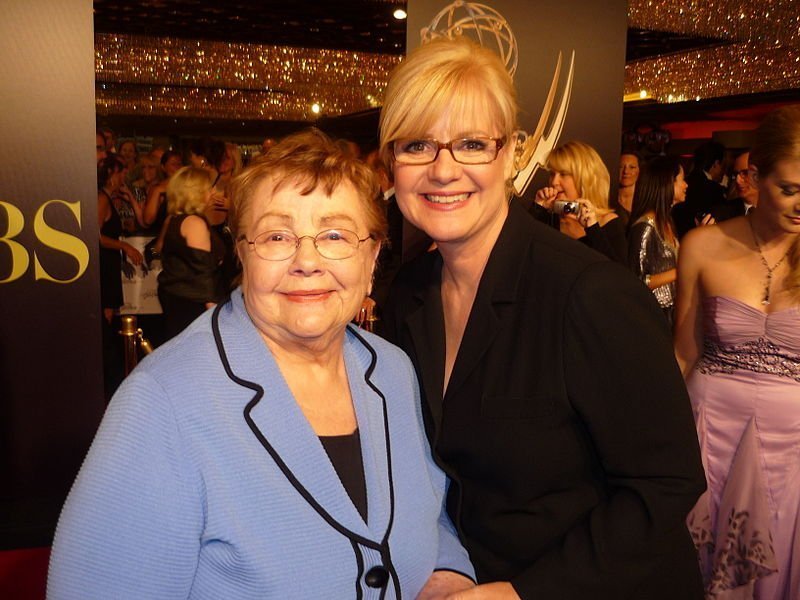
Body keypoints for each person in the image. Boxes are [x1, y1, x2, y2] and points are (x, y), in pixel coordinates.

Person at [48, 129, 475, 598]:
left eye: (335, 234)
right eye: (277, 235)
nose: (307, 261)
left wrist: (446, 576)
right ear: (241, 252)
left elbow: (425, 511)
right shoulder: (163, 401)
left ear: (371, 256)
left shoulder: (391, 369)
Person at [378, 35, 705, 599]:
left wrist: (523, 593)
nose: (443, 169)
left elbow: (665, 484)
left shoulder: (589, 293)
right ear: (392, 164)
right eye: (416, 146)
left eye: (472, 144)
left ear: (511, 155)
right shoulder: (409, 293)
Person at [674, 105, 800, 599]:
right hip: (710, 432)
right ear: (753, 176)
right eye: (788, 188)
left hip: (791, 445)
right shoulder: (703, 245)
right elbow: (682, 354)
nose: (799, 204)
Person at [157, 166, 225, 340]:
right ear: (196, 192)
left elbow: (159, 249)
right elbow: (203, 269)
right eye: (209, 188)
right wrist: (212, 308)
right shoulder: (194, 222)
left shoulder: (174, 218)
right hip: (192, 301)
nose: (214, 191)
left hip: (176, 295)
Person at [534, 141, 627, 263]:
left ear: (585, 178)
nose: (554, 182)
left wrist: (593, 229)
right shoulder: (549, 219)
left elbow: (620, 275)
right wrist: (537, 209)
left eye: (563, 174)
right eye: (552, 174)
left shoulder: (608, 223)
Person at [627, 155, 688, 326]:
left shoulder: (667, 221)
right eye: (682, 180)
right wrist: (679, 272)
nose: (686, 185)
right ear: (667, 184)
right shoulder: (644, 227)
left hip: (672, 313)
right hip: (653, 316)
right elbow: (636, 281)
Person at [710, 149, 758, 222]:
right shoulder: (720, 214)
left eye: (745, 173)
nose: (738, 180)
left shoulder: (775, 210)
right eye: (735, 175)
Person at [616, 151, 641, 225]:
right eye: (621, 167)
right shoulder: (608, 201)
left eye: (632, 167)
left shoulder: (645, 201)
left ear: (639, 170)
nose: (626, 171)